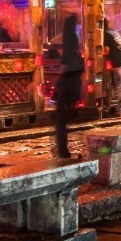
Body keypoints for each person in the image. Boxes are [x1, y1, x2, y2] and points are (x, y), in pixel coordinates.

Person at [51, 14, 85, 158]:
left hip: (67, 82)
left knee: (61, 119)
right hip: (75, 82)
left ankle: (62, 150)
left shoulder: (68, 41)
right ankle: (62, 149)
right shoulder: (76, 42)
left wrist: (58, 78)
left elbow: (66, 63)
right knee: (65, 117)